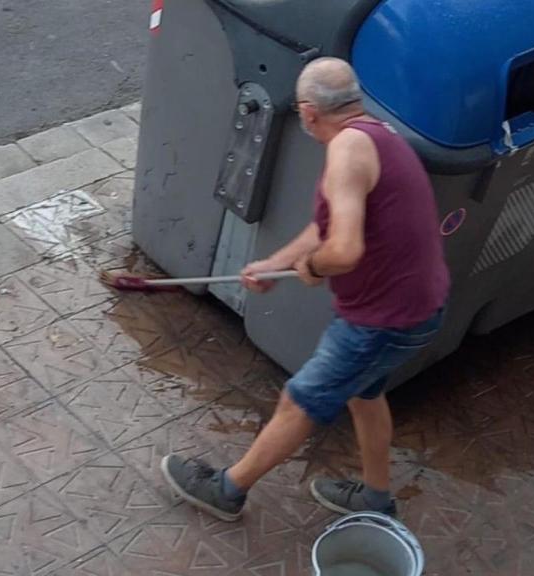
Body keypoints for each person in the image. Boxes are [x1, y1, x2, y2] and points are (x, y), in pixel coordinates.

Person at [161, 57, 450, 521]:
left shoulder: (344, 152)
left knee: (300, 400)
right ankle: (377, 501)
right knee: (364, 394)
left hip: (384, 319)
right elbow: (328, 227)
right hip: (415, 308)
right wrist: (273, 265)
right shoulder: (373, 137)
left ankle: (227, 491)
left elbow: (343, 249)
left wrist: (314, 267)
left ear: (309, 112)